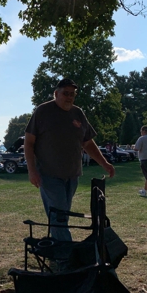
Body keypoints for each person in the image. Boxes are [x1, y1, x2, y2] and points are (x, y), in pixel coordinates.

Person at [24, 78, 115, 241]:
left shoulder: (78, 113)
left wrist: (104, 163)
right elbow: (29, 143)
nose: (69, 97)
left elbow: (87, 143)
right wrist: (32, 171)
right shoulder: (43, 111)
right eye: (65, 93)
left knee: (61, 215)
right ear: (56, 94)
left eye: (72, 94)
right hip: (49, 174)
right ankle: (66, 257)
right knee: (59, 216)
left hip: (72, 176)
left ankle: (57, 247)